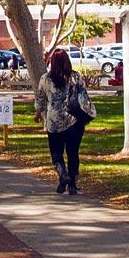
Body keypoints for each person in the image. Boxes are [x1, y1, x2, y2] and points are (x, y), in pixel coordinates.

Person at [35, 50, 95, 195]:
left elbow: (40, 99)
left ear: (52, 63)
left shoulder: (45, 79)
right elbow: (83, 96)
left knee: (56, 151)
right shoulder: (75, 77)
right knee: (73, 152)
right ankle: (73, 184)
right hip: (74, 120)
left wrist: (38, 113)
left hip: (54, 121)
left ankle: (63, 175)